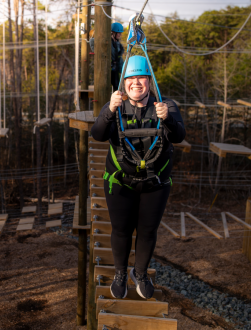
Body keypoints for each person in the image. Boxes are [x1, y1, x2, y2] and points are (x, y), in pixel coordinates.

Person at [90, 55, 186, 299]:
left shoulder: (166, 105)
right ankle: (120, 273)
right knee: (121, 230)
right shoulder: (116, 107)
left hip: (156, 183)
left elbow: (178, 136)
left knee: (147, 230)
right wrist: (109, 110)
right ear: (123, 83)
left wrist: (168, 119)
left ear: (149, 80)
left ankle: (140, 273)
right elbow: (98, 135)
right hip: (121, 182)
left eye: (141, 77)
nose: (136, 82)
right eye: (130, 78)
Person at [89, 23, 125, 90]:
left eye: (120, 33)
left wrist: (122, 72)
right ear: (113, 33)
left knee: (117, 88)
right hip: (105, 70)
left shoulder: (118, 45)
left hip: (115, 70)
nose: (120, 35)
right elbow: (92, 41)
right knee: (104, 89)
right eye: (118, 33)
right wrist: (97, 52)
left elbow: (119, 60)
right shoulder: (106, 42)